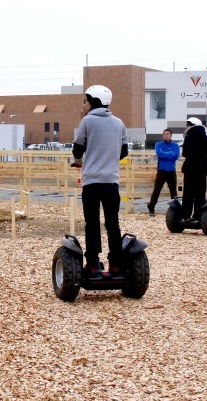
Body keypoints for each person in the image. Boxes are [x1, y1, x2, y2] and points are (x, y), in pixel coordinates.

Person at [71, 85, 128, 275]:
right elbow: (124, 151)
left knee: (92, 223)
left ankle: (93, 264)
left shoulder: (87, 122)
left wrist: (80, 161)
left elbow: (78, 149)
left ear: (94, 101)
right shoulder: (119, 123)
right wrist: (109, 159)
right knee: (113, 223)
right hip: (111, 181)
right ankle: (116, 264)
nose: (84, 104)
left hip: (92, 181)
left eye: (86, 100)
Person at [180, 117, 207, 225]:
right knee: (200, 194)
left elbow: (184, 153)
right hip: (201, 169)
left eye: (188, 124)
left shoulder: (188, 137)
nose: (186, 126)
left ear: (192, 125)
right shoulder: (205, 137)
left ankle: (186, 216)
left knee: (188, 194)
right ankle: (197, 216)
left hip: (189, 168)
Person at [147, 129, 180, 217]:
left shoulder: (176, 145)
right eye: (164, 134)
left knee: (173, 191)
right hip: (161, 171)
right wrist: (170, 153)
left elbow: (176, 156)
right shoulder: (158, 144)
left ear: (171, 135)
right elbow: (159, 154)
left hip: (171, 171)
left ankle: (175, 210)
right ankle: (151, 207)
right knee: (156, 190)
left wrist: (165, 154)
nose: (166, 135)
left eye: (167, 134)